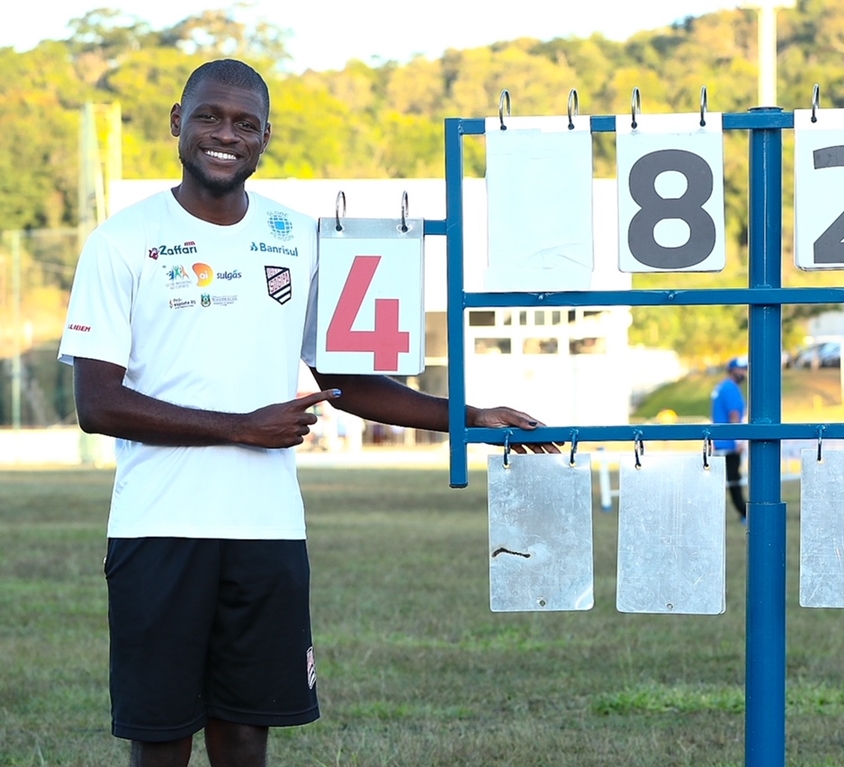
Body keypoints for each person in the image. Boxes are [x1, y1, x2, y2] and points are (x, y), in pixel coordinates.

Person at [57, 59, 555, 767]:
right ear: (177, 121)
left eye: (245, 123)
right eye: (208, 116)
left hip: (267, 531)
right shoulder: (121, 242)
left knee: (247, 730)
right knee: (161, 736)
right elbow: (96, 403)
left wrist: (469, 413)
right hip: (158, 530)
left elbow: (345, 377)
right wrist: (239, 427)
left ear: (265, 137)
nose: (225, 134)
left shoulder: (300, 235)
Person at [711, 356, 748, 522]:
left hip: (720, 442)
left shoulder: (721, 387)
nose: (744, 373)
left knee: (723, 482)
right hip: (729, 444)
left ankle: (741, 513)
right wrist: (739, 440)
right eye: (741, 369)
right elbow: (734, 416)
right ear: (732, 370)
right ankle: (744, 514)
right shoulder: (730, 388)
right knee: (733, 481)